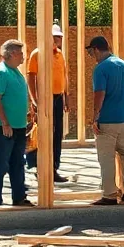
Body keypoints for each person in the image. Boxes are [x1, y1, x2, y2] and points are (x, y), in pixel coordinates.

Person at [87, 35, 124, 205]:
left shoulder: (101, 68)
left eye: (91, 52)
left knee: (106, 157)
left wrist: (95, 117)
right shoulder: (123, 64)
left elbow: (99, 94)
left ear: (96, 49)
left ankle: (109, 195)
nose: (91, 56)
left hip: (108, 120)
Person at [0, 39, 32, 207]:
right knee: (1, 162)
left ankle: (19, 197)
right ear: (12, 54)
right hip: (2, 126)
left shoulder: (15, 72)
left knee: (18, 162)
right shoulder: (0, 72)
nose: (23, 57)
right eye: (20, 53)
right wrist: (5, 122)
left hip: (18, 126)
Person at [26, 24, 70, 181]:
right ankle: (41, 168)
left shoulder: (59, 55)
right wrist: (35, 101)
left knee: (57, 134)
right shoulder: (37, 54)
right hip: (44, 99)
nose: (58, 40)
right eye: (55, 37)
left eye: (59, 37)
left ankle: (53, 169)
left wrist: (66, 96)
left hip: (57, 98)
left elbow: (64, 76)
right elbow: (31, 77)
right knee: (43, 135)